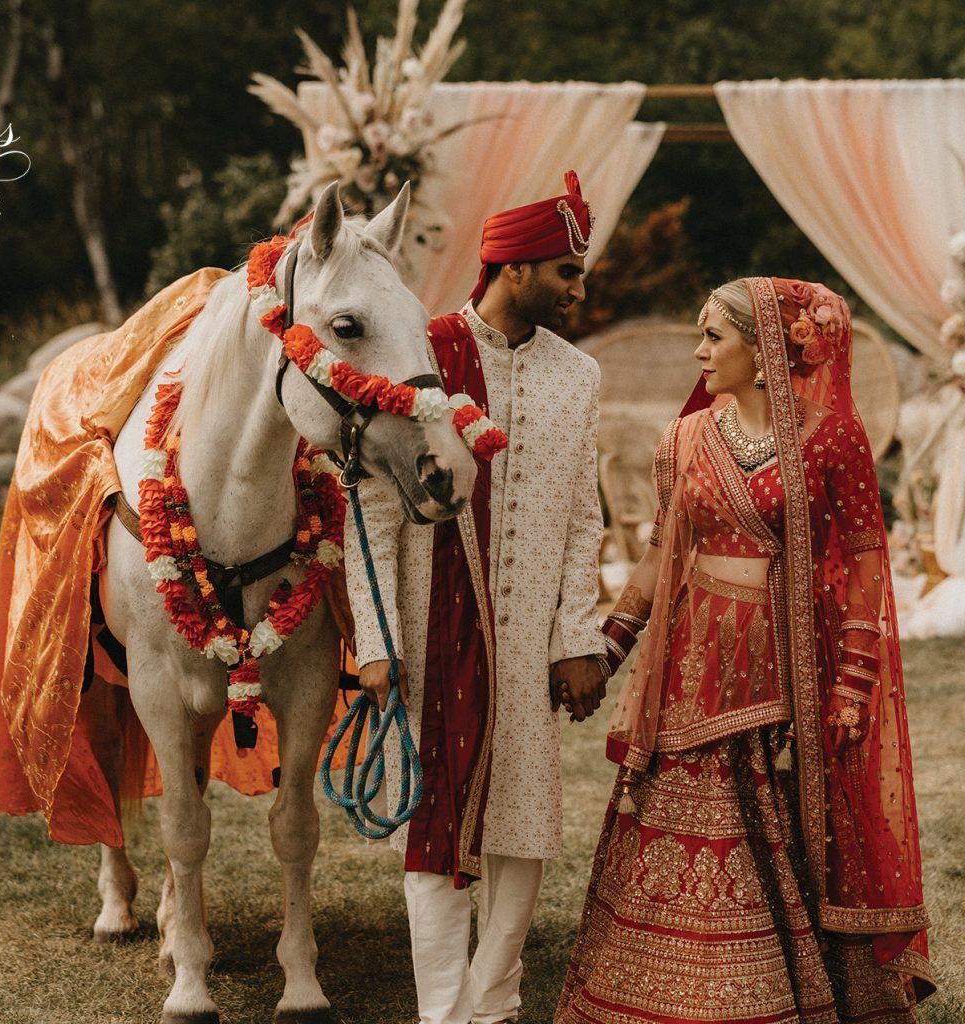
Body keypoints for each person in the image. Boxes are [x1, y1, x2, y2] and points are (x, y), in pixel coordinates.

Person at [555, 278, 934, 1024]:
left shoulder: (833, 437)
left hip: (787, 668)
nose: (699, 350)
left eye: (713, 336)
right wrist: (609, 649)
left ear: (765, 351)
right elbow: (662, 555)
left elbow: (862, 565)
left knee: (783, 825)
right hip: (689, 668)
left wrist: (853, 681)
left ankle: (776, 990)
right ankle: (670, 991)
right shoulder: (684, 439)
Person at [347, 170, 609, 1024]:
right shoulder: (419, 358)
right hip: (429, 628)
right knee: (435, 827)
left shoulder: (580, 377)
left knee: (524, 828)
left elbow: (582, 519)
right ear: (517, 269)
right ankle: (443, 1013)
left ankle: (492, 1007)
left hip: (530, 637)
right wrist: (379, 640)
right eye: (567, 272)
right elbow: (370, 513)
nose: (580, 287)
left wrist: (577, 636)